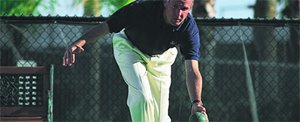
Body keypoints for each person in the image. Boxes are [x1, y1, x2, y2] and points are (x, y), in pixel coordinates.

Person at [63, 0, 207, 121]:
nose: (178, 13)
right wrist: (80, 41)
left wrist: (196, 102)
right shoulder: (142, 8)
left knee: (160, 118)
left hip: (161, 59)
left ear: (190, 8)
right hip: (130, 49)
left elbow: (192, 69)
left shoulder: (189, 28)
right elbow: (108, 26)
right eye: (175, 6)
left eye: (184, 8)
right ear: (165, 2)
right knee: (143, 98)